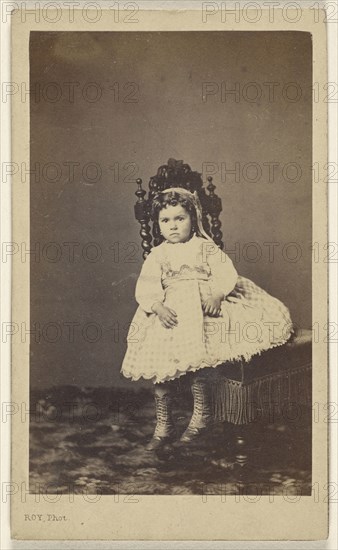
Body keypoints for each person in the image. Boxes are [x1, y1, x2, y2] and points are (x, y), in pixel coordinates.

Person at [120, 187, 293, 450]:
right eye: (165, 221)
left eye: (180, 218)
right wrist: (157, 306)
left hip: (203, 307)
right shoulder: (158, 255)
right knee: (160, 367)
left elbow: (225, 272)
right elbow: (146, 286)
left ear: (194, 219)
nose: (174, 226)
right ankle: (164, 425)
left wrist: (216, 294)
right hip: (172, 311)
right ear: (157, 224)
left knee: (202, 356)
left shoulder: (204, 247)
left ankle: (202, 415)